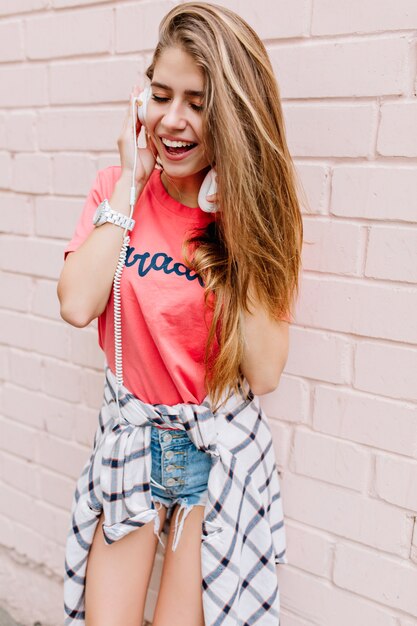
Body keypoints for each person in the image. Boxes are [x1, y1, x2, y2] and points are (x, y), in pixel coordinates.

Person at [57, 2, 303, 625]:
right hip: (131, 441)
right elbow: (77, 302)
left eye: (197, 101)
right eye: (160, 95)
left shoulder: (254, 218)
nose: (173, 119)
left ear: (232, 112)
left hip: (214, 455)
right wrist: (128, 189)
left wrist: (237, 221)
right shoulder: (117, 188)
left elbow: (266, 370)